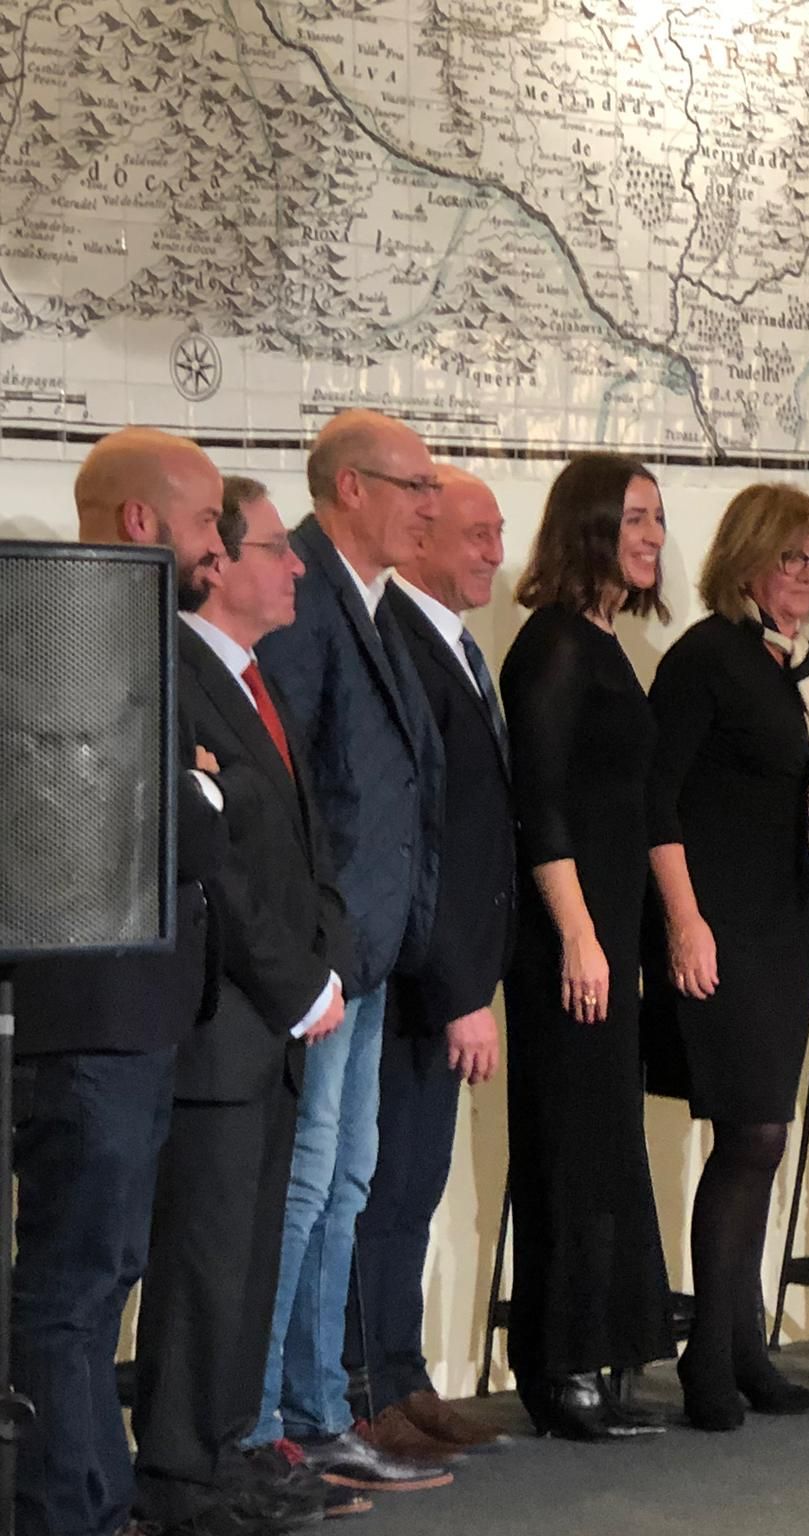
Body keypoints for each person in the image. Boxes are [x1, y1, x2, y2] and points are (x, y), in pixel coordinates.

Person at [11, 428, 225, 1536]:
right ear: (141, 522)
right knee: (74, 1285)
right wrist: (195, 792)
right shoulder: (78, 644)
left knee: (97, 1279)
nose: (219, 553)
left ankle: (87, 1498)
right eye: (204, 526)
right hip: (86, 1023)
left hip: (122, 1020)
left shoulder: (136, 642)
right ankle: (70, 1509)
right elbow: (171, 826)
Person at [132, 478, 353, 1535]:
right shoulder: (176, 675)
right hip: (222, 1022)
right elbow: (214, 866)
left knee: (251, 1256)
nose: (296, 564)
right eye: (275, 548)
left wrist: (329, 963)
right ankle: (177, 1471)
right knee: (204, 1263)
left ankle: (222, 1449)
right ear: (218, 566)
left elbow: (300, 851)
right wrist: (295, 978)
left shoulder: (258, 681)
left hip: (278, 1027)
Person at [247, 410, 449, 1493]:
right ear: (350, 489)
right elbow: (284, 784)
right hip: (326, 952)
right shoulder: (304, 591)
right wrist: (318, 946)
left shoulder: (368, 602)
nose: (431, 502)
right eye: (413, 484)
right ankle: (274, 1420)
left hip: (371, 949)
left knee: (346, 1177)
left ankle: (321, 1408)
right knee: (308, 1178)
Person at [645, 483, 809, 1431]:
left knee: (760, 1140)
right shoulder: (704, 660)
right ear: (747, 558)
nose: (806, 575)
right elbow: (659, 806)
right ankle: (707, 1361)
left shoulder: (797, 666)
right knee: (751, 1137)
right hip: (719, 927)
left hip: (784, 926)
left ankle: (742, 1347)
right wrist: (685, 923)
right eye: (791, 557)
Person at [499, 452, 674, 1439]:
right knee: (568, 1146)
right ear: (587, 527)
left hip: (606, 938)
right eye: (633, 519)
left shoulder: (606, 641)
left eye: (655, 520)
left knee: (605, 1145)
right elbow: (541, 803)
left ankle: (603, 1350)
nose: (651, 537)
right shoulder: (555, 645)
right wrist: (575, 934)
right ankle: (557, 1361)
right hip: (569, 941)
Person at [350, 469, 517, 1458]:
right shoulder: (399, 643)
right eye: (474, 533)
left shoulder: (451, 644)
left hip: (445, 976)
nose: (494, 551)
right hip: (414, 979)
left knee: (412, 1186)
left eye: (498, 533)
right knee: (382, 1189)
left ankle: (402, 1374)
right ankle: (367, 1384)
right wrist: (460, 989)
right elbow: (425, 840)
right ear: (416, 539)